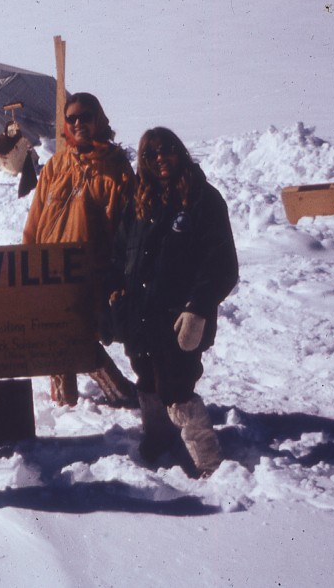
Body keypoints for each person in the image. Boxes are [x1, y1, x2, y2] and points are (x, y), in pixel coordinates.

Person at [106, 127, 238, 478]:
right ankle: (159, 438)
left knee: (176, 386)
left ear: (179, 150)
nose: (160, 158)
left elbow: (221, 263)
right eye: (151, 155)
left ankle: (208, 459)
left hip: (178, 317)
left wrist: (197, 308)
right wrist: (116, 292)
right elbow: (119, 255)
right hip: (139, 315)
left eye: (167, 150)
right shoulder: (137, 200)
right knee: (146, 380)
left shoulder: (202, 200)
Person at [22, 92, 138, 408]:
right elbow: (34, 222)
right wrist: (27, 262)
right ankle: (65, 404)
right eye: (71, 118)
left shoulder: (117, 170)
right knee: (54, 332)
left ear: (98, 119)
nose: (78, 123)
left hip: (89, 272)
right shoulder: (55, 166)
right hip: (48, 269)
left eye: (84, 116)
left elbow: (127, 232)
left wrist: (117, 280)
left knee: (79, 333)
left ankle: (117, 391)